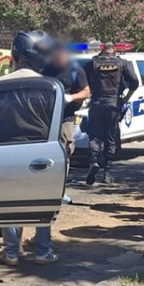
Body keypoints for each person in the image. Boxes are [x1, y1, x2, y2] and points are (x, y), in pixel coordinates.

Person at [0, 30, 65, 266]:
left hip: (7, 153)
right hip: (43, 154)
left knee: (9, 203)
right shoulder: (51, 88)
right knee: (41, 202)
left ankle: (12, 252)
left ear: (15, 56)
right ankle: (43, 251)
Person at [85, 42, 140, 185]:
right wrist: (126, 98)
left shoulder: (93, 63)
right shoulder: (122, 63)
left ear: (102, 51)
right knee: (110, 136)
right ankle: (107, 173)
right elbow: (134, 81)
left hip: (96, 102)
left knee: (95, 136)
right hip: (114, 104)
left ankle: (93, 162)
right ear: (114, 52)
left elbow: (84, 81)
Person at [44, 45, 91, 203]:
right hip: (45, 117)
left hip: (66, 117)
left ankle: (60, 190)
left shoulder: (75, 70)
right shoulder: (44, 69)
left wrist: (70, 97)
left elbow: (86, 91)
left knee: (64, 150)